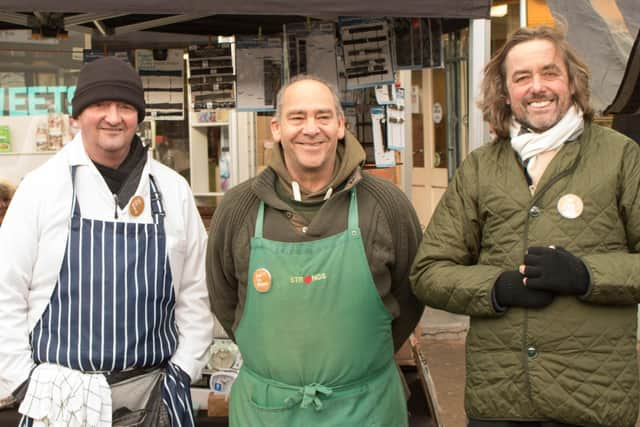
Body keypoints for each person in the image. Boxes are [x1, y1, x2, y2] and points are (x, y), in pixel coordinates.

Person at [410, 25, 640, 427]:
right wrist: (496, 288)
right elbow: (429, 271)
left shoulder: (620, 157)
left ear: (572, 81)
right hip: (501, 398)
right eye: (522, 77)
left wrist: (587, 276)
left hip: (594, 400)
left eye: (549, 72)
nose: (538, 87)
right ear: (505, 91)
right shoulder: (481, 167)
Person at [0, 56, 214, 426]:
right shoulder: (41, 188)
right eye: (99, 105)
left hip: (155, 394)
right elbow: (5, 293)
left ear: (138, 117)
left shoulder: (172, 190)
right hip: (58, 399)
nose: (113, 117)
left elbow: (197, 295)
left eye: (125, 107)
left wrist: (183, 371)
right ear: (77, 116)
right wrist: (23, 381)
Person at [206, 75, 423, 426]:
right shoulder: (238, 208)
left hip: (367, 409)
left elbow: (410, 295)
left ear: (340, 125)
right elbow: (224, 301)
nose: (311, 129)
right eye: (297, 117)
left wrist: (353, 369)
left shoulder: (386, 205)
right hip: (268, 410)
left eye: (323, 117)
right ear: (276, 128)